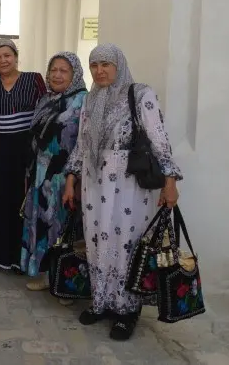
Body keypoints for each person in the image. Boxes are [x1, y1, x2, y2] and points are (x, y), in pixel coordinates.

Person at [63, 43, 182, 341]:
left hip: (128, 185)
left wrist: (170, 181)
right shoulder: (90, 99)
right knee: (96, 240)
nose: (99, 71)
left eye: (106, 64)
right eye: (94, 65)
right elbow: (81, 144)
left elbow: (159, 139)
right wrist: (70, 180)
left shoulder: (140, 94)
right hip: (94, 182)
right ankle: (101, 301)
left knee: (127, 244)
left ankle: (127, 311)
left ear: (119, 65)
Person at [20, 52, 87, 299]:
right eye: (53, 70)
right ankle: (48, 275)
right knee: (42, 226)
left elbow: (84, 143)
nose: (57, 75)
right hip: (41, 175)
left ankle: (67, 284)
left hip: (65, 177)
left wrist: (75, 178)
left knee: (64, 229)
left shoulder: (83, 101)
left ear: (75, 75)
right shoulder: (47, 99)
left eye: (64, 71)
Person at [0, 39, 47, 275]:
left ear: (16, 57)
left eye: (7, 55)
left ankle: (19, 259)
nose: (3, 60)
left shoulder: (33, 79)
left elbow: (45, 112)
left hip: (24, 150)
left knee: (22, 202)